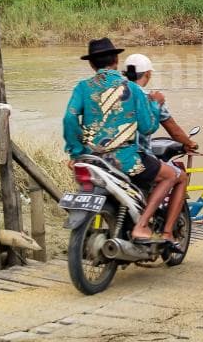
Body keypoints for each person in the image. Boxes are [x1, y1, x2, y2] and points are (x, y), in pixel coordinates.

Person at [63, 38, 183, 245]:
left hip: (91, 160)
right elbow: (148, 127)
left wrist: (76, 152)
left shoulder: (82, 88)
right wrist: (155, 104)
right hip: (125, 160)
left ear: (91, 64)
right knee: (171, 176)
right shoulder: (133, 89)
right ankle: (142, 225)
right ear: (116, 60)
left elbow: (69, 119)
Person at [123, 53, 195, 245]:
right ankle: (166, 233)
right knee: (178, 176)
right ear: (148, 74)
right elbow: (173, 131)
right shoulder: (150, 97)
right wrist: (190, 143)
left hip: (106, 156)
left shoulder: (114, 93)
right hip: (134, 157)